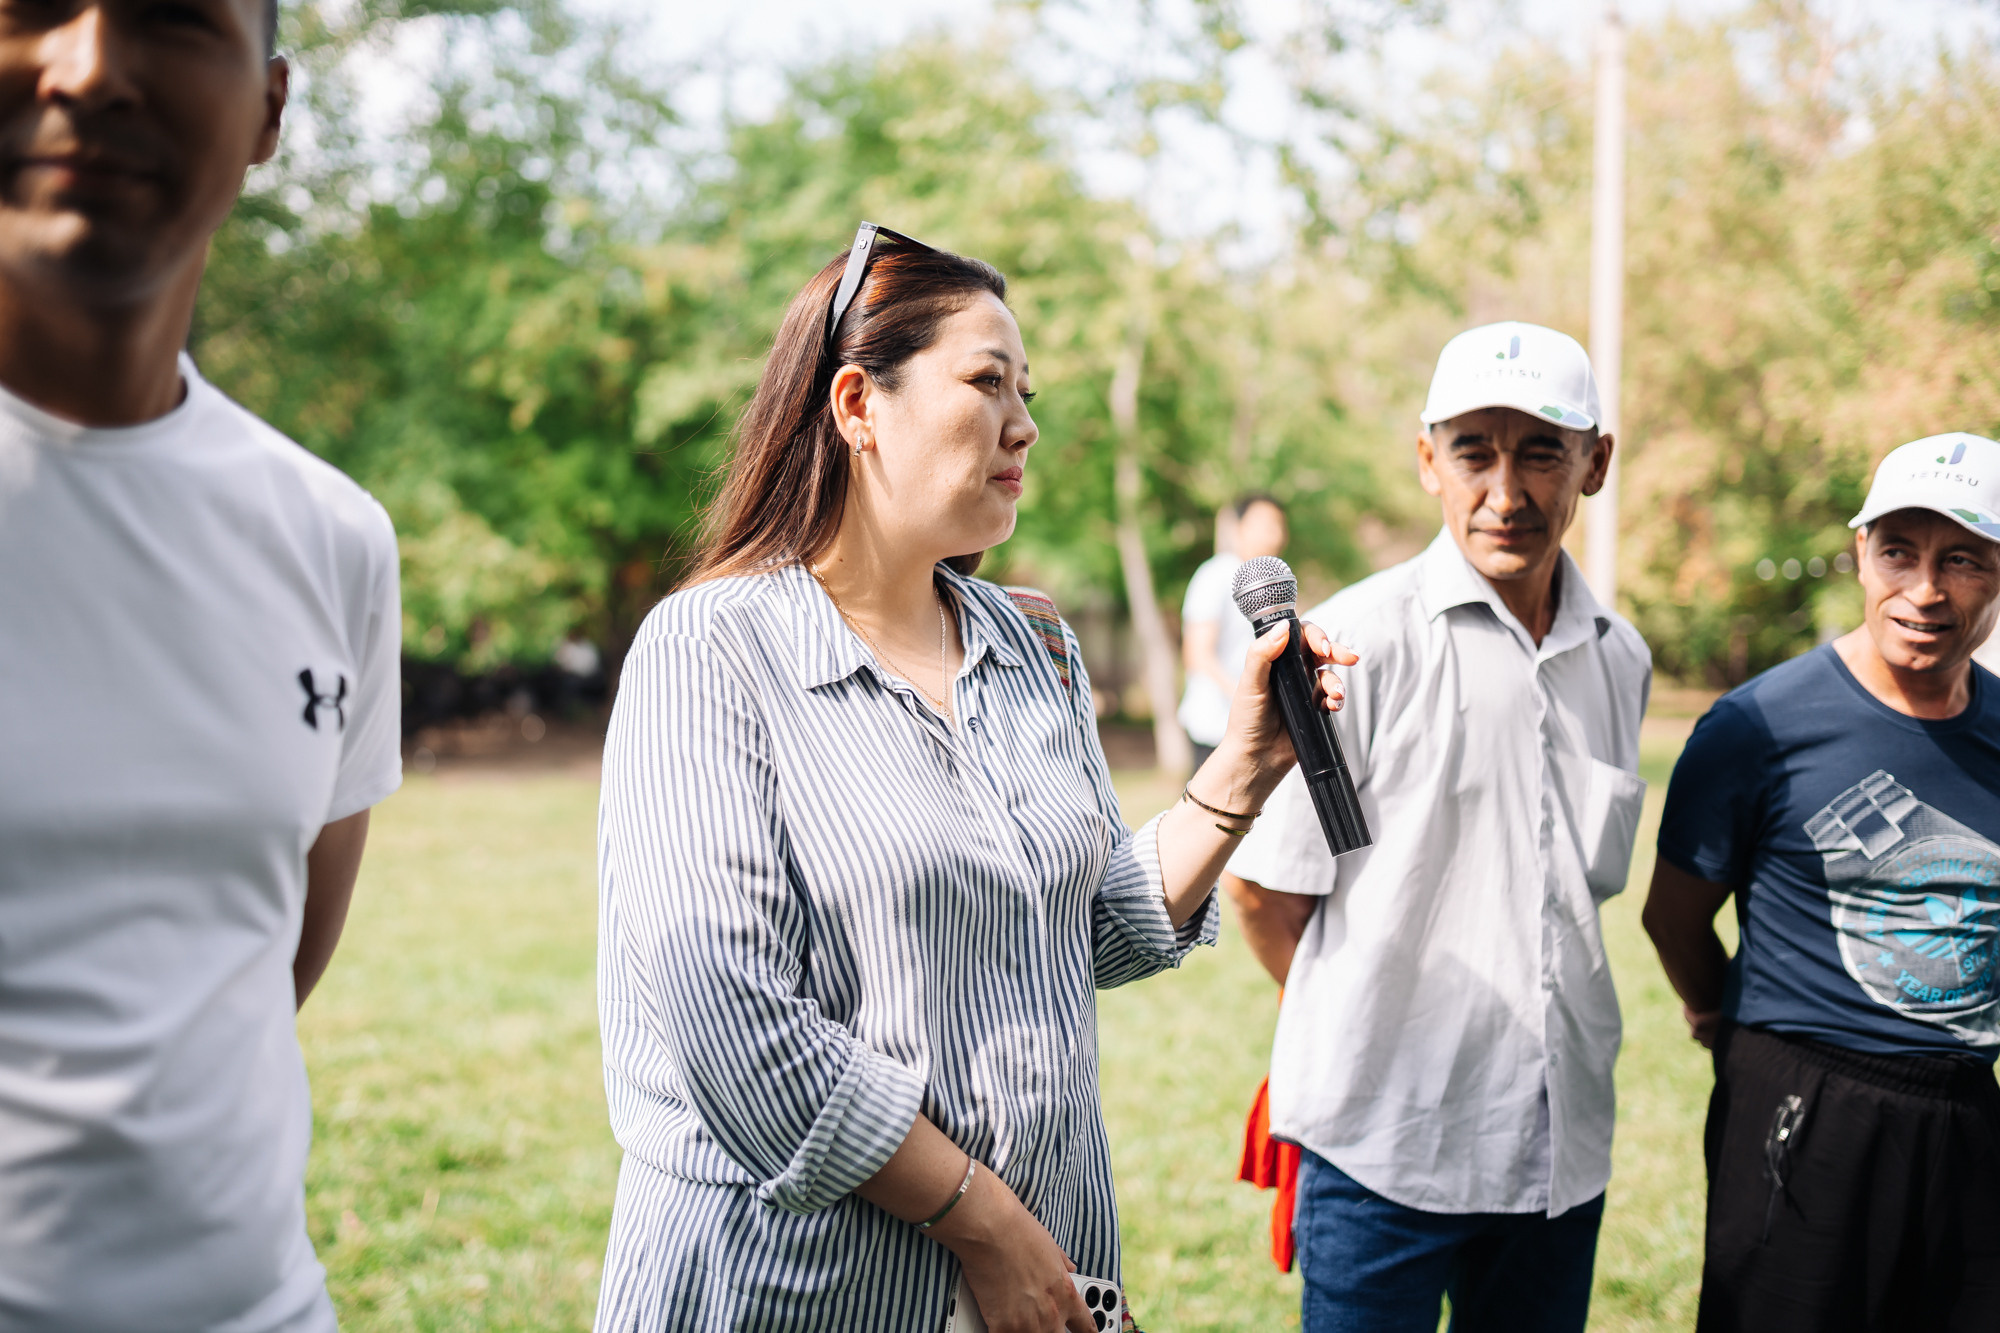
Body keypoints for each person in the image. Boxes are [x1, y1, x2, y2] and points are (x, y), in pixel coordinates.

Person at [591, 223, 1353, 1333]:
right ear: (857, 405)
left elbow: (1073, 932)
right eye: (986, 381)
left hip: (1028, 1280)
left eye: (1025, 389)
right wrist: (982, 1222)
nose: (1024, 423)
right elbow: (734, 1022)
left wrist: (1243, 771)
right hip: (792, 1287)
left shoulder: (1034, 650)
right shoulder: (709, 650)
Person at [0, 4, 400, 1331]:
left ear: (272, 111)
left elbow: (264, 961)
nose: (93, 65)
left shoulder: (334, 539)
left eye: (172, 12)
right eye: (27, 5)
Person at [1225, 321, 1651, 1333]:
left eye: (1540, 451)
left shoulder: (1617, 656)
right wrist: (1374, 1012)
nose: (1504, 492)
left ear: (1595, 461)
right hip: (1382, 1150)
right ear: (1427, 461)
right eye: (1473, 451)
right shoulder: (1355, 644)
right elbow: (1260, 890)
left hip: (1555, 1153)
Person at [1642, 434, 2000, 1332]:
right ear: (1858, 555)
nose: (1924, 589)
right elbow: (1673, 914)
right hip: (1805, 1109)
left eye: (1961, 559)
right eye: (1898, 552)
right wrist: (1717, 1013)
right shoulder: (1759, 724)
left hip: (1964, 1109)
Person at [1180, 494, 1288, 770]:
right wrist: (1247, 697)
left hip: (1255, 729)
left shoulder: (1274, 582)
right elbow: (1197, 654)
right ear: (1239, 528)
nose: (1274, 534)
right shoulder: (1216, 574)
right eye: (1264, 525)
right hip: (1215, 727)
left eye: (1278, 525)